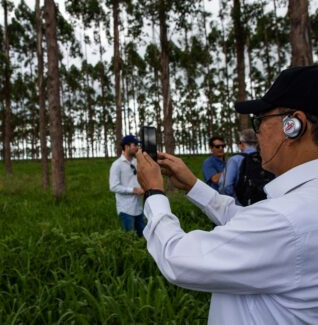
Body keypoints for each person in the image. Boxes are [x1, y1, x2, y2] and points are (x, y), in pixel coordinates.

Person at [136, 65, 318, 324]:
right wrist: (193, 185)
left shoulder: (286, 220)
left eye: (261, 120)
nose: (257, 133)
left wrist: (153, 192)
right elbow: (250, 222)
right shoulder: (300, 207)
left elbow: (178, 259)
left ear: (294, 125)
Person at [109, 134, 145, 236]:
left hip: (138, 207)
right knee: (130, 239)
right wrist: (133, 190)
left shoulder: (136, 162)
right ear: (127, 146)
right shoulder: (117, 165)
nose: (137, 147)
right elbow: (113, 186)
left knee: (143, 237)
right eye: (135, 145)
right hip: (126, 209)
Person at [218, 129, 258, 202]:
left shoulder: (235, 160)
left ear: (241, 144)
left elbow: (225, 186)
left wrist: (237, 204)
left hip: (241, 207)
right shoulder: (265, 158)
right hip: (264, 206)